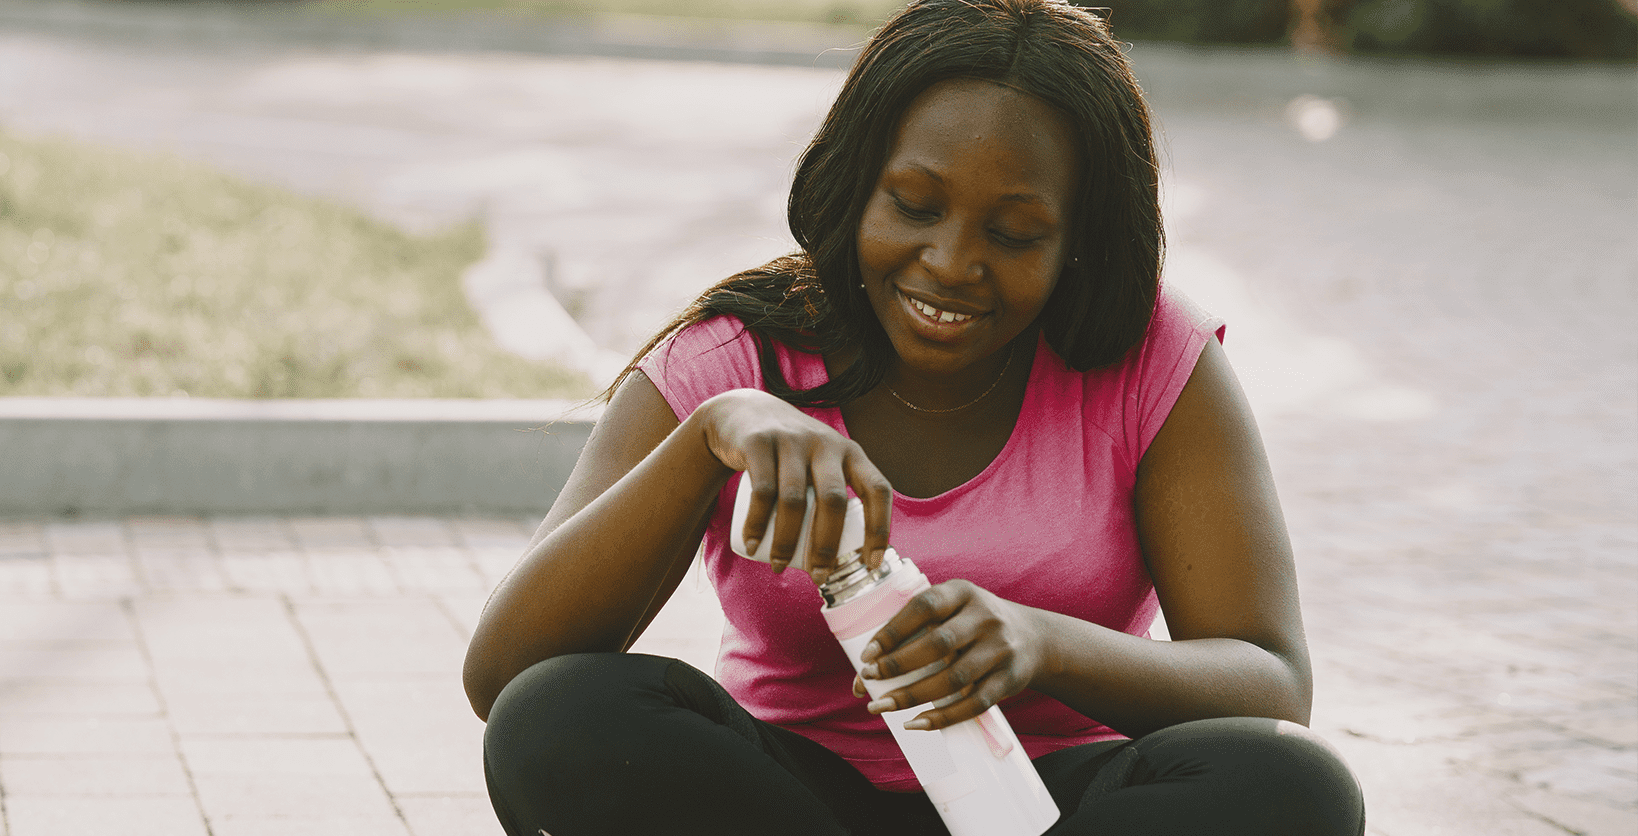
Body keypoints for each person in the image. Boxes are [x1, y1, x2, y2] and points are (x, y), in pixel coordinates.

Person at [464, 1, 1366, 833]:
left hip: (1054, 806)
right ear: (856, 183)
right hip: (785, 802)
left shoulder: (1153, 361)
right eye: (914, 205)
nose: (952, 262)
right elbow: (505, 677)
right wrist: (708, 440)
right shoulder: (730, 360)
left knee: (1292, 784)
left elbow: (1271, 682)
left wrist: (1044, 644)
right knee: (557, 717)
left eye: (1013, 234)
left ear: (1080, 242)